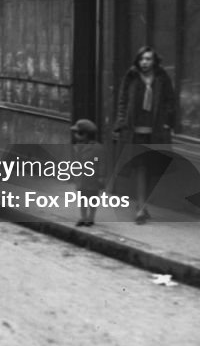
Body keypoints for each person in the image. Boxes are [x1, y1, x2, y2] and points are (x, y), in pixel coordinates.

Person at [112, 45, 176, 224]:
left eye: (148, 59)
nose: (145, 62)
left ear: (154, 61)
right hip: (135, 130)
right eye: (142, 59)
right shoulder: (131, 77)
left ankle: (143, 204)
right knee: (140, 167)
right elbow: (123, 101)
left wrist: (167, 122)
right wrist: (122, 121)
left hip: (155, 131)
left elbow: (170, 101)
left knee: (152, 168)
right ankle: (140, 207)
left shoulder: (162, 78)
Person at [70, 119, 103, 227]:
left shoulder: (97, 148)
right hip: (82, 178)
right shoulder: (78, 147)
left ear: (85, 135)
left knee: (92, 198)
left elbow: (101, 163)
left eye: (78, 134)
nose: (75, 136)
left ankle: (91, 217)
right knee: (82, 199)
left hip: (92, 179)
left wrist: (101, 176)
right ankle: (83, 217)